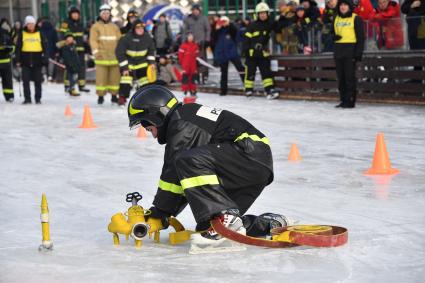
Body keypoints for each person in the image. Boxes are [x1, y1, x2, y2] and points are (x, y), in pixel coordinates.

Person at [127, 85, 292, 251]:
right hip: (249, 163)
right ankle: (268, 224)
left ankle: (226, 217)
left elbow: (173, 175)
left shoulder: (181, 123)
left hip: (248, 153)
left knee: (187, 160)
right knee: (211, 225)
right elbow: (186, 180)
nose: (150, 133)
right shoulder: (185, 117)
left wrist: (160, 212)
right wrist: (163, 212)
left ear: (156, 116)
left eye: (148, 126)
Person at [332, 0, 365, 108]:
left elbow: (361, 38)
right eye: (341, 4)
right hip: (338, 51)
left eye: (345, 4)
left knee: (349, 78)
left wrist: (358, 53)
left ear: (349, 6)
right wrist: (333, 37)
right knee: (341, 78)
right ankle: (343, 100)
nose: (343, 7)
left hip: (350, 51)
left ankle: (350, 101)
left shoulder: (356, 18)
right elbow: (331, 33)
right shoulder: (336, 18)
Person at [243, 2, 279, 99]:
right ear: (257, 14)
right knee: (250, 72)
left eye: (264, 13)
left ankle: (269, 90)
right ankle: (248, 90)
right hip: (252, 54)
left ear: (267, 13)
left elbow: (278, 29)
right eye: (260, 13)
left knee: (266, 72)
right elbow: (246, 40)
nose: (263, 15)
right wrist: (246, 51)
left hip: (263, 53)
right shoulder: (252, 25)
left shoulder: (270, 24)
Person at [115, 20, 156, 106]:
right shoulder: (126, 38)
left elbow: (151, 51)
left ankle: (145, 99)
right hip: (129, 65)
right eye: (138, 28)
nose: (140, 30)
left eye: (142, 28)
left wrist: (151, 63)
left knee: (145, 82)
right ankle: (122, 98)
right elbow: (120, 53)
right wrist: (125, 67)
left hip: (142, 64)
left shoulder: (147, 38)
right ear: (134, 29)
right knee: (126, 80)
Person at [89, 4, 122, 105]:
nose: (105, 15)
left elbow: (120, 41)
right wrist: (96, 52)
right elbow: (93, 40)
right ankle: (100, 96)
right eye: (104, 13)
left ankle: (114, 96)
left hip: (114, 57)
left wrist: (120, 53)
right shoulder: (95, 27)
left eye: (107, 13)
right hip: (101, 57)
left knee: (115, 79)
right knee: (101, 78)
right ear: (100, 14)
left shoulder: (115, 27)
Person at [15, 15, 48, 104]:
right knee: (25, 81)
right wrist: (17, 60)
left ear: (35, 24)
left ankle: (38, 98)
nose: (31, 26)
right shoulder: (22, 34)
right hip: (25, 62)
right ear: (26, 25)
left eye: (32, 24)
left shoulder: (40, 33)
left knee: (38, 81)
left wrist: (45, 58)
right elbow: (18, 48)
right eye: (29, 24)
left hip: (37, 61)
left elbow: (45, 47)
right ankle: (27, 99)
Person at [58, 6, 90, 93]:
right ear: (70, 14)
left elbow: (84, 37)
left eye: (77, 14)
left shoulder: (80, 24)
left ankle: (81, 85)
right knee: (70, 67)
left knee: (81, 67)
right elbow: (62, 34)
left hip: (81, 49)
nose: (76, 15)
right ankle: (67, 85)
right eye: (74, 14)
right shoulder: (66, 23)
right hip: (70, 49)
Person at [212, 16, 245, 96]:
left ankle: (248, 86)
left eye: (225, 21)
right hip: (223, 55)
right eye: (222, 22)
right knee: (224, 73)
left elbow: (236, 33)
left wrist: (229, 24)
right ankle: (223, 90)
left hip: (232, 53)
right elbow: (213, 38)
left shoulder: (231, 29)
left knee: (240, 69)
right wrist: (216, 28)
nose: (223, 23)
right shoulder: (218, 31)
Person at [183, 4, 211, 84]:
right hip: (192, 44)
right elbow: (185, 31)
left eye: (196, 10)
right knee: (193, 61)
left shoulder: (203, 18)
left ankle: (205, 76)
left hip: (202, 43)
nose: (195, 11)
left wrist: (207, 40)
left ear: (199, 10)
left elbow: (208, 30)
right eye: (193, 10)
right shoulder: (188, 19)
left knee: (203, 60)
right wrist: (187, 39)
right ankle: (196, 76)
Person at [178, 32, 199, 96]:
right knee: (185, 78)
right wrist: (182, 64)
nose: (190, 38)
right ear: (187, 37)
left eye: (191, 36)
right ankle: (185, 90)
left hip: (193, 64)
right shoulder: (183, 45)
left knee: (193, 78)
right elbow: (180, 56)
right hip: (185, 64)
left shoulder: (195, 45)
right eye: (189, 36)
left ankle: (193, 90)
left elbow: (197, 56)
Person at [0, 18, 14, 102]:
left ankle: (9, 96)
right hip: (5, 60)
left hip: (5, 61)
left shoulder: (7, 33)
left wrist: (9, 49)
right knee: (7, 80)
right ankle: (9, 96)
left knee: (7, 80)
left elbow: (12, 45)